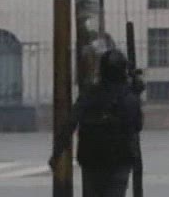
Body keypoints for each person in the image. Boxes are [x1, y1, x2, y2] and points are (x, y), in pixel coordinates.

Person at [50, 50, 144, 197]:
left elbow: (71, 122)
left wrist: (57, 152)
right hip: (120, 160)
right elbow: (137, 125)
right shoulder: (128, 97)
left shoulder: (90, 94)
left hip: (92, 159)